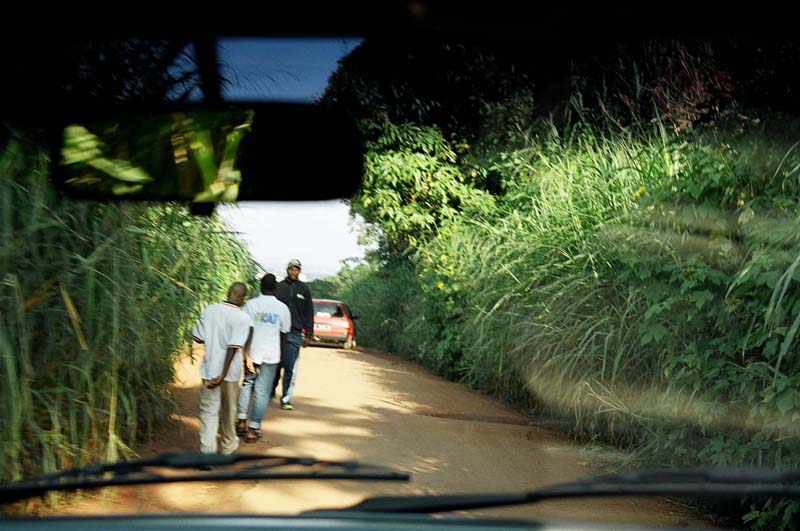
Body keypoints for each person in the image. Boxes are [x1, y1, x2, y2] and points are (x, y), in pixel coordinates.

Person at [191, 282, 253, 455]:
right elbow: (234, 347)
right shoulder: (243, 318)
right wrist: (224, 373)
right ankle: (227, 447)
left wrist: (213, 338)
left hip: (210, 369)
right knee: (229, 410)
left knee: (208, 411)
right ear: (243, 298)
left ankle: (207, 452)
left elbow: (197, 337)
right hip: (230, 373)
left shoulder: (209, 311)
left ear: (228, 292)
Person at [236, 274, 290, 442]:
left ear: (260, 287)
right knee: (262, 392)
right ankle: (253, 429)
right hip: (271, 355)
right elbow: (284, 335)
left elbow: (247, 330)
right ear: (275, 288)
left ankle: (241, 421)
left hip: (252, 352)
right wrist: (281, 356)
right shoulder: (282, 308)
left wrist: (246, 353)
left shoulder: (251, 305)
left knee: (247, 385)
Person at [271, 259, 314, 410]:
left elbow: (309, 312)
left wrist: (309, 333)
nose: (294, 271)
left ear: (300, 271)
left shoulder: (304, 289)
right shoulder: (279, 287)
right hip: (277, 333)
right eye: (291, 269)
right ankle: (270, 390)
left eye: (297, 269)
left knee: (291, 367)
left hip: (295, 333)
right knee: (275, 364)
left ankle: (286, 399)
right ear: (287, 270)